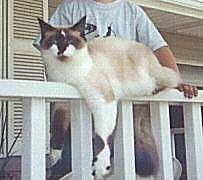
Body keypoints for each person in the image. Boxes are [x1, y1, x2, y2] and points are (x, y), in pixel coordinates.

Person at [34, 0, 198, 179]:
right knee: (71, 167)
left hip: (122, 99)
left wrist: (177, 80)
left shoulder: (131, 11)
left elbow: (159, 47)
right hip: (80, 109)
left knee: (132, 165)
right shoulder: (71, 7)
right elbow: (47, 46)